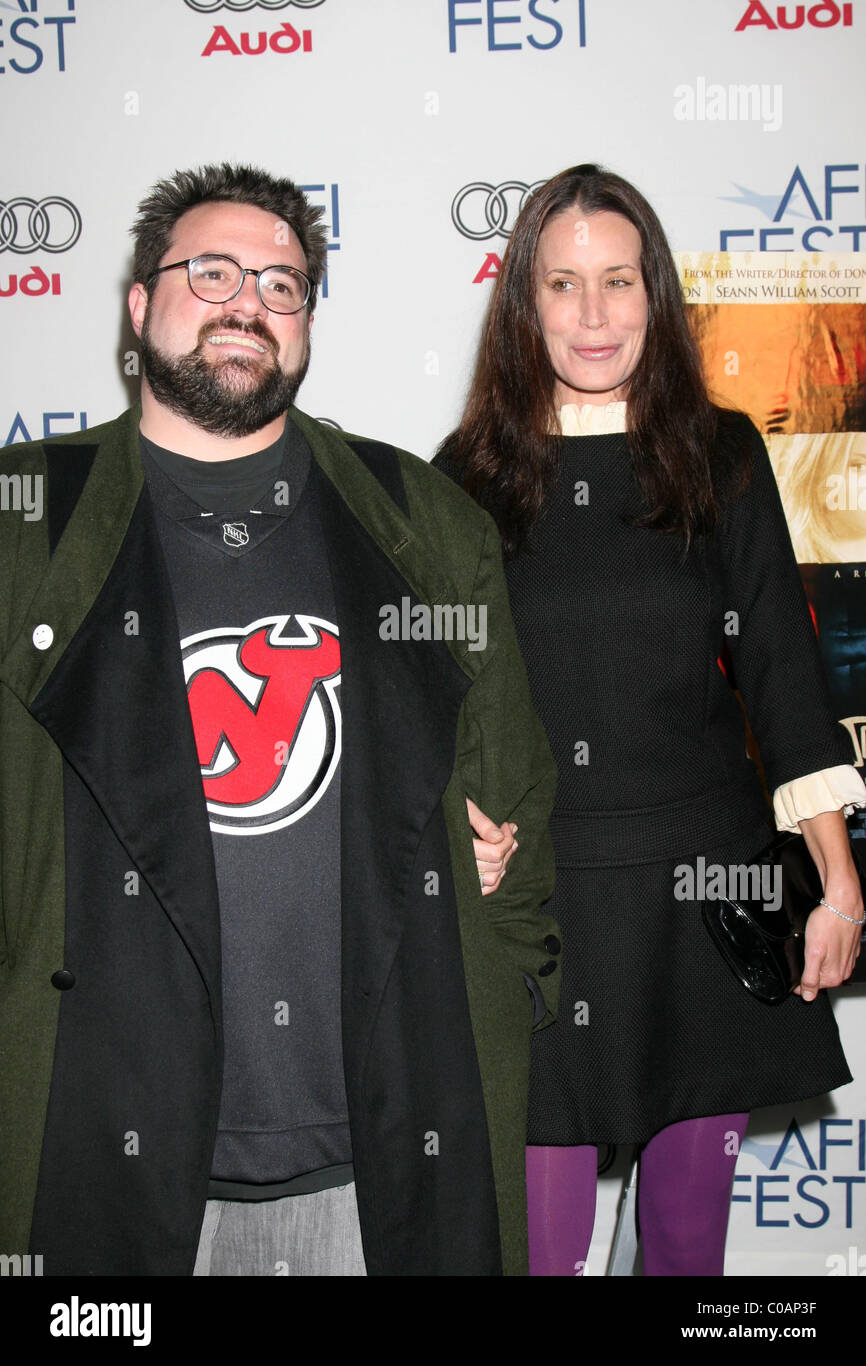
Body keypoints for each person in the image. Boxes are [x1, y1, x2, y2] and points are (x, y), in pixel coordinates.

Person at [0, 163, 561, 1277]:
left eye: (281, 282)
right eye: (209, 271)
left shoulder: (417, 516)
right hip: (97, 1143)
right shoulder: (24, 522)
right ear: (136, 302)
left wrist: (499, 943)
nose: (245, 300)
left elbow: (520, 790)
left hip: (381, 1154)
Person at [435, 164, 866, 1277]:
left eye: (617, 282)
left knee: (684, 1247)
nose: (591, 315)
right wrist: (461, 822)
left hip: (705, 894)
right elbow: (436, 699)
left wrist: (836, 879)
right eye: (562, 284)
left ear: (653, 294)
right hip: (541, 901)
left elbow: (782, 674)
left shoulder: (716, 455)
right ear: (523, 305)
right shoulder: (466, 479)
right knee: (537, 1246)